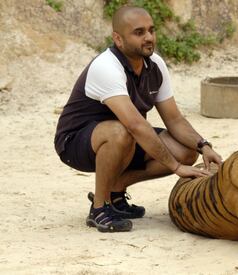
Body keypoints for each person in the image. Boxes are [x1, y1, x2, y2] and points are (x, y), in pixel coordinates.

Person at [54, 6, 222, 233]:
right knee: (121, 132)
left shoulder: (156, 66)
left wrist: (204, 146)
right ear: (118, 39)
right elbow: (135, 124)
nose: (149, 38)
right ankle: (99, 208)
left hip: (127, 139)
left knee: (186, 149)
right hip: (76, 142)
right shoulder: (106, 66)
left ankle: (116, 188)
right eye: (139, 32)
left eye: (151, 30)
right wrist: (175, 167)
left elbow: (174, 119)